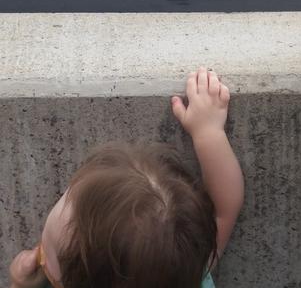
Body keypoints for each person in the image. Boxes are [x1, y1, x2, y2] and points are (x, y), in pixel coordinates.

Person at [9, 68, 243, 288]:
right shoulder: (186, 268)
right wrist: (208, 133)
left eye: (46, 253)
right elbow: (224, 209)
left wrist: (19, 283)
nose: (38, 255)